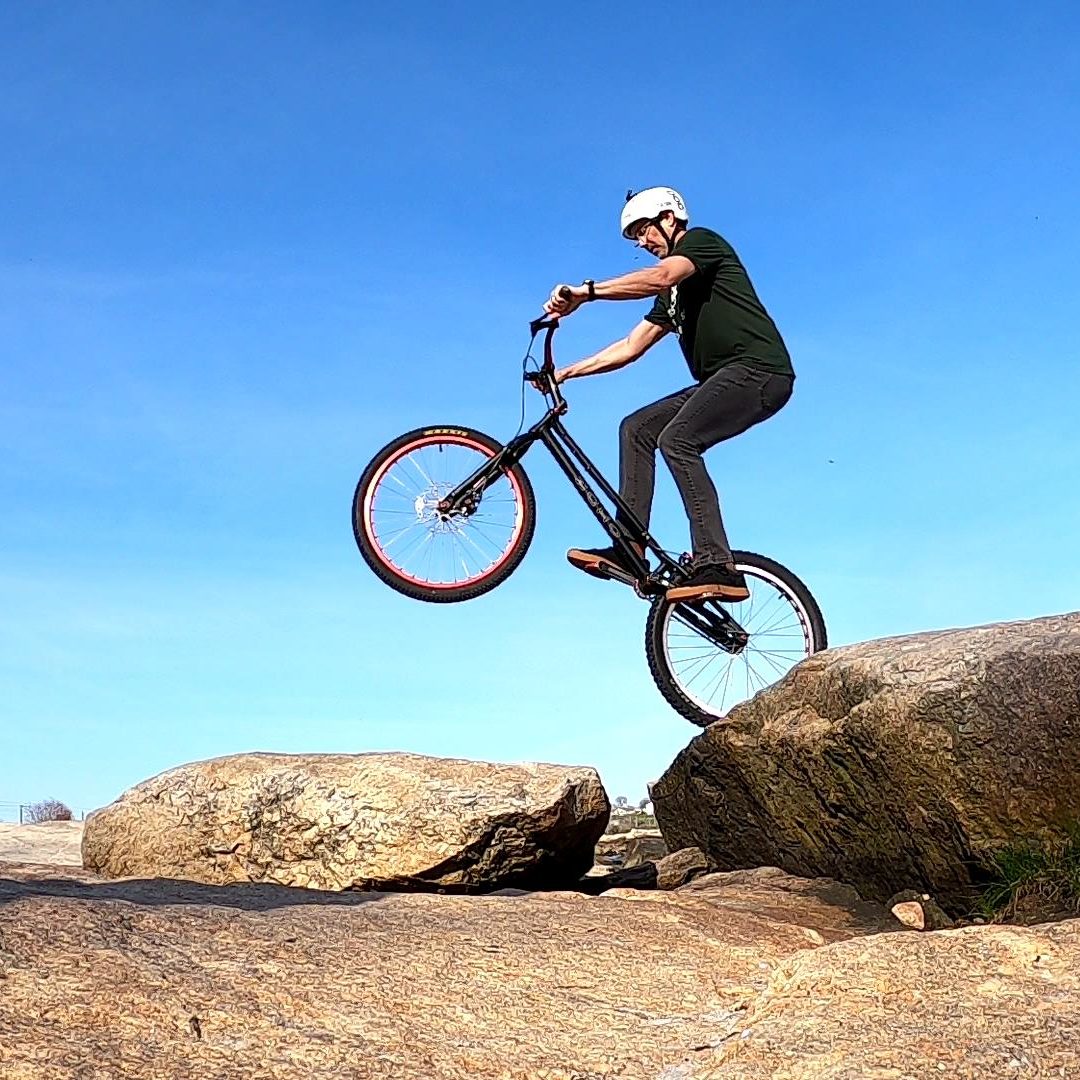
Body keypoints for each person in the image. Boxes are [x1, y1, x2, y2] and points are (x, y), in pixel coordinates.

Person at [543, 187, 795, 602]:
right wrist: (568, 372)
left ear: (670, 217)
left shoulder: (702, 243)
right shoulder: (671, 295)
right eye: (636, 237)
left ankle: (718, 564)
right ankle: (630, 550)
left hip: (758, 372)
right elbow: (631, 346)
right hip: (721, 379)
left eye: (643, 230)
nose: (642, 242)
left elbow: (659, 275)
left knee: (677, 439)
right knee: (638, 428)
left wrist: (586, 293)